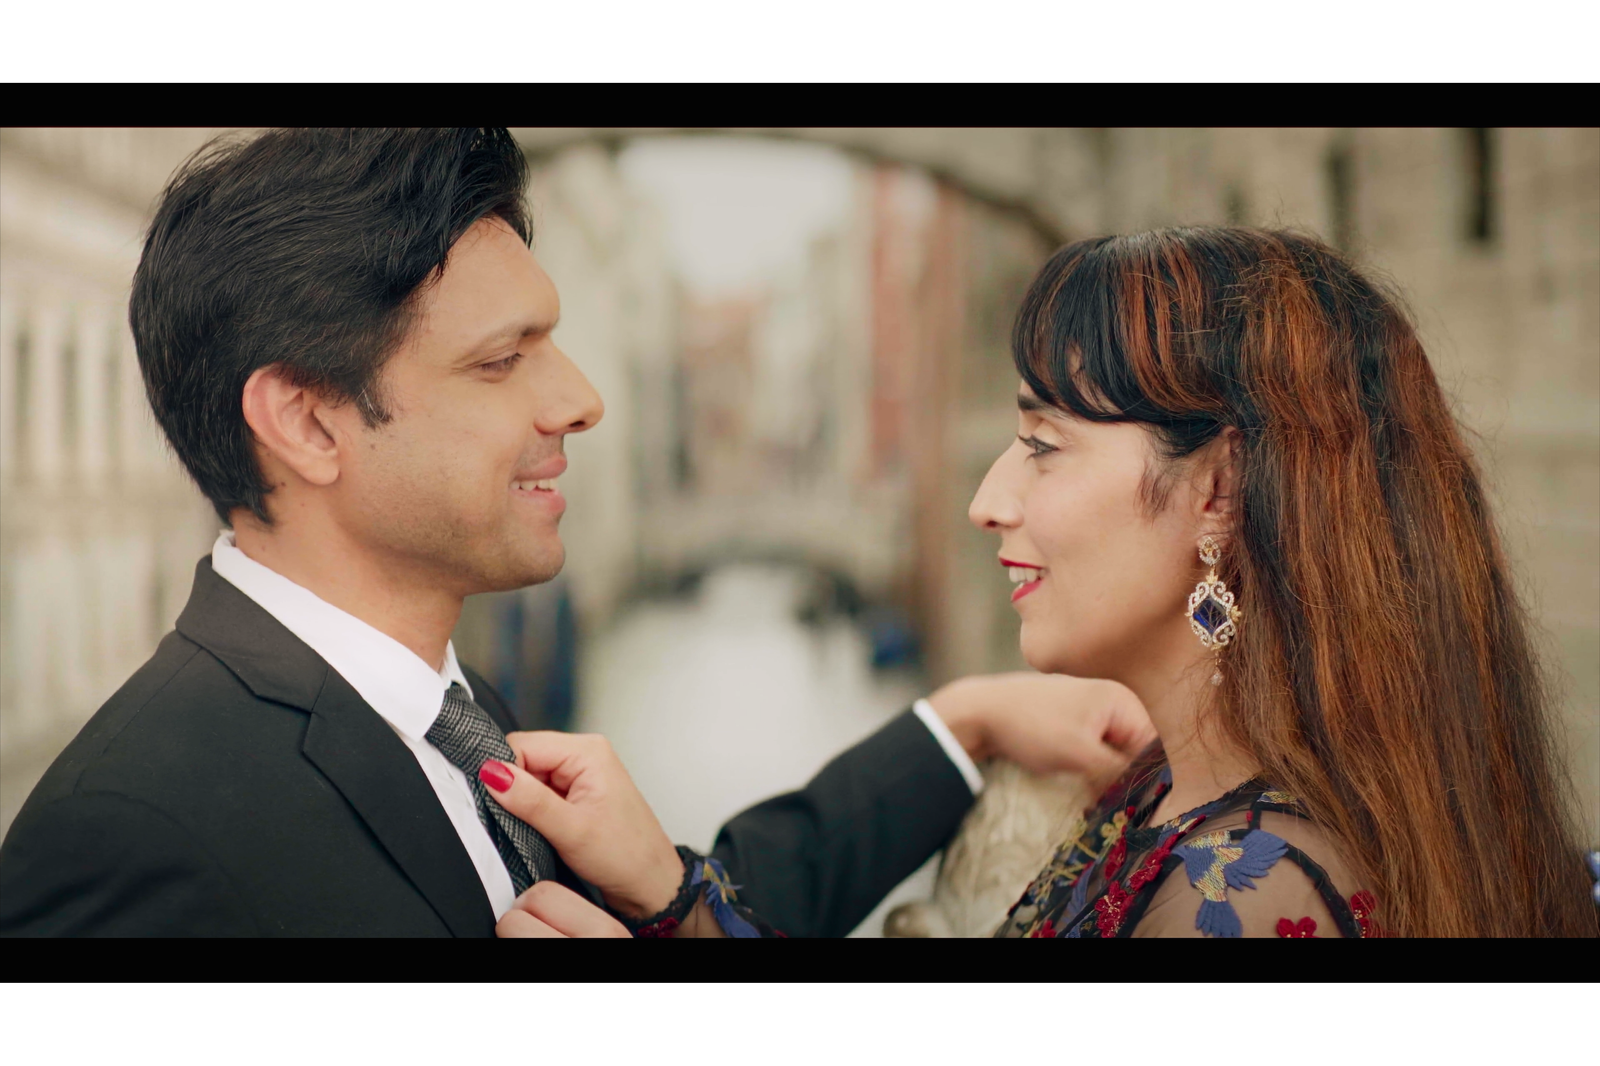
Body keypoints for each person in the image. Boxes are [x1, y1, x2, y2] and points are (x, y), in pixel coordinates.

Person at [0, 128, 1151, 938]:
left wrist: (958, 724)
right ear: (306, 421)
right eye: (502, 360)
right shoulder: (129, 839)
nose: (580, 399)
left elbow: (686, 903)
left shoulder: (451, 711)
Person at [490, 226, 1599, 938]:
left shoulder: (1244, 891)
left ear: (1219, 490)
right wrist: (676, 898)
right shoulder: (1171, 791)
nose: (986, 499)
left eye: (1043, 445)